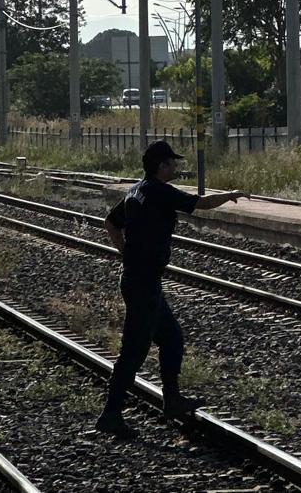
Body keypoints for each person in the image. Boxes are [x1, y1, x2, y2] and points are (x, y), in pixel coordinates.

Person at [95, 140, 243, 439]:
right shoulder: (158, 191)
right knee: (133, 351)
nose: (176, 167)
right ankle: (111, 414)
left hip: (140, 279)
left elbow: (110, 224)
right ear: (161, 165)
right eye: (172, 162)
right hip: (143, 282)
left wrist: (126, 253)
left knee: (172, 338)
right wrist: (230, 195)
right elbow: (199, 204)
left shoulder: (136, 190)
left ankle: (172, 400)